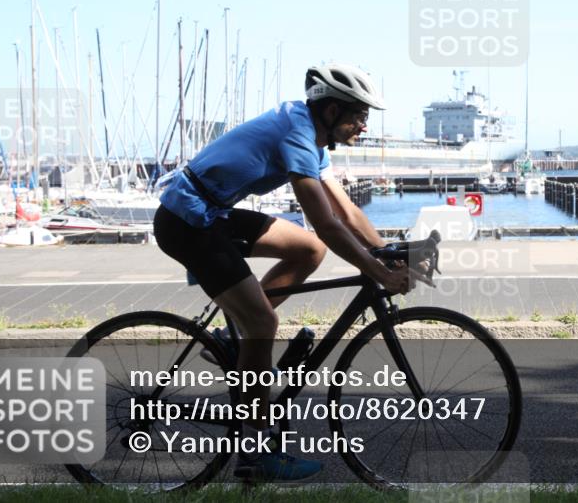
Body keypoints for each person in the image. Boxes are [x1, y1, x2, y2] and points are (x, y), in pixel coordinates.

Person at [152, 63, 425, 481]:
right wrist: (375, 270)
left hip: (212, 214)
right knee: (263, 320)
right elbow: (327, 222)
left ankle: (231, 338)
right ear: (331, 111)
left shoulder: (313, 138)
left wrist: (385, 252)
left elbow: (347, 211)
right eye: (359, 115)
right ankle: (255, 455)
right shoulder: (297, 134)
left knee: (307, 250)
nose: (364, 126)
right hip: (187, 222)